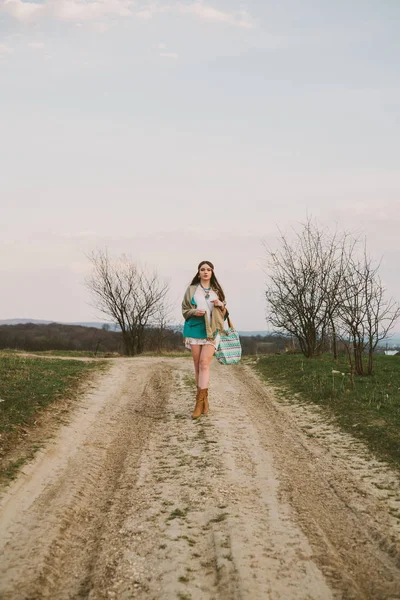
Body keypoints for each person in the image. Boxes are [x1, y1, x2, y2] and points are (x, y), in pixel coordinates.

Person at [181, 261, 228, 419]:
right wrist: (195, 312)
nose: (206, 272)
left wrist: (221, 305)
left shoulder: (217, 291)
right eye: (203, 269)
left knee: (204, 363)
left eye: (208, 269)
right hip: (195, 329)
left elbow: (224, 314)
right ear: (199, 272)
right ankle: (204, 401)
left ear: (212, 272)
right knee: (197, 366)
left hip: (212, 332)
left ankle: (198, 402)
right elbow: (185, 310)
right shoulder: (192, 290)